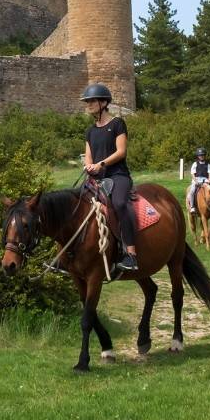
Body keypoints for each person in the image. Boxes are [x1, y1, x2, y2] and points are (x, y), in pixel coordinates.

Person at [81, 83, 138, 276]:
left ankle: (131, 254)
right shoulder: (90, 131)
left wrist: (101, 164)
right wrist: (89, 166)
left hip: (117, 175)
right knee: (76, 203)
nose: (88, 104)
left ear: (103, 102)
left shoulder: (117, 124)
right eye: (87, 101)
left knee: (120, 204)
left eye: (91, 101)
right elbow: (88, 155)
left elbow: (121, 152)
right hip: (96, 178)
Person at [186, 147, 210, 215]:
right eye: (200, 155)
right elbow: (192, 174)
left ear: (204, 155)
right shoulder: (195, 164)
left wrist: (209, 180)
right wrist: (195, 181)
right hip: (197, 179)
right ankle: (192, 206)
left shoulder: (208, 164)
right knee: (192, 191)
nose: (201, 156)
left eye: (202, 155)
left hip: (205, 180)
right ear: (198, 156)